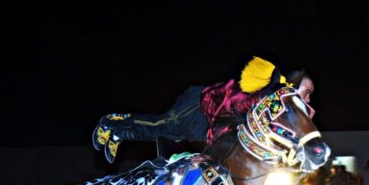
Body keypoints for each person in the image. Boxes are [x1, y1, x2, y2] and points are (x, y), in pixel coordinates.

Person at [91, 57, 315, 163]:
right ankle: (110, 122)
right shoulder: (269, 94)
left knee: (162, 133)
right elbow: (226, 111)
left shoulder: (278, 105)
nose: (309, 99)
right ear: (293, 87)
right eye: (307, 92)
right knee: (158, 125)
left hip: (206, 123)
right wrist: (209, 154)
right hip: (197, 106)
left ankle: (120, 134)